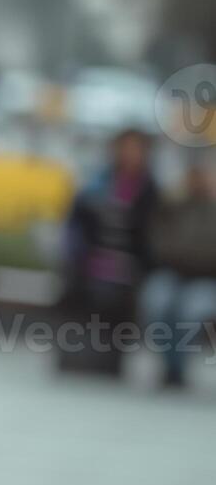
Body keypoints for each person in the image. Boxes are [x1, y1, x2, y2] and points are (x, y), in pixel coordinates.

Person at [58, 128, 162, 376]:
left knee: (116, 292)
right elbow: (76, 225)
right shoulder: (96, 184)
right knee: (80, 286)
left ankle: (109, 360)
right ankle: (74, 354)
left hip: (132, 266)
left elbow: (154, 240)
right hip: (91, 262)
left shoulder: (152, 192)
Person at [139, 162, 216, 389]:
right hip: (171, 275)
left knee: (190, 311)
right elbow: (157, 244)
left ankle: (177, 368)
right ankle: (169, 365)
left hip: (206, 279)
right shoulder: (171, 208)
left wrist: (193, 259)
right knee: (157, 302)